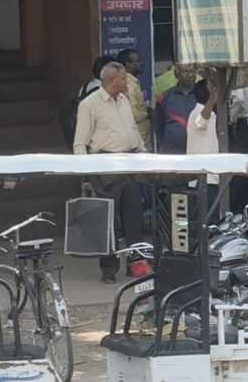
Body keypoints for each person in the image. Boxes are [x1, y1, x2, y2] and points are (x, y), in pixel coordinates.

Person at [73, 61, 146, 283]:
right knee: (108, 221)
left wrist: (144, 155)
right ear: (112, 80)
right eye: (124, 78)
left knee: (134, 218)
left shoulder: (124, 100)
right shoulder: (89, 104)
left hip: (130, 163)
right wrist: (85, 174)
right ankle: (109, 270)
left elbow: (133, 131)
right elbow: (80, 143)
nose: (127, 82)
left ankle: (137, 263)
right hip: (104, 166)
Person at [153, 63, 198, 155]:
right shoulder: (165, 96)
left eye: (192, 71)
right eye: (185, 71)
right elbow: (158, 125)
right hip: (172, 152)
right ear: (176, 74)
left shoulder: (204, 95)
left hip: (198, 149)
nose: (189, 75)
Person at [116, 48, 150, 150]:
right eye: (138, 61)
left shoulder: (133, 82)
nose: (142, 63)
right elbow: (132, 114)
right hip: (137, 141)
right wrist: (148, 114)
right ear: (127, 64)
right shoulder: (128, 84)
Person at [185, 79, 218, 154]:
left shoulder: (210, 113)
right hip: (200, 163)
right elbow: (201, 122)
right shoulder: (198, 111)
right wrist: (211, 100)